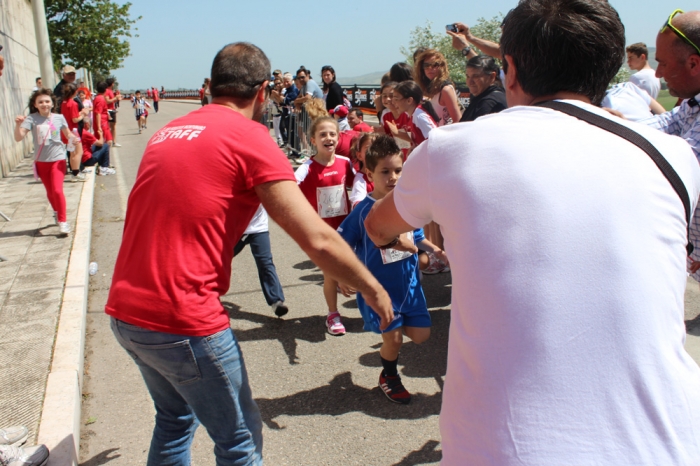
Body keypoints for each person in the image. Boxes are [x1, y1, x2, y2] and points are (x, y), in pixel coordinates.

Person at [365, 0, 700, 463]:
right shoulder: (676, 157)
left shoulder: (453, 150)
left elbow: (377, 225)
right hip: (671, 441)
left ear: (511, 69)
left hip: (508, 448)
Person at [105, 42, 392, 465]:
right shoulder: (249, 136)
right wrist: (372, 287)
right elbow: (315, 236)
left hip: (126, 312)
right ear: (262, 92)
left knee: (174, 419)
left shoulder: (169, 131)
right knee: (239, 441)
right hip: (184, 319)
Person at [338, 135, 446, 405]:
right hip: (380, 293)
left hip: (410, 289)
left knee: (421, 336)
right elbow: (339, 245)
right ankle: (389, 376)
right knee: (394, 339)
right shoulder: (363, 212)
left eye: (398, 170)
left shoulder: (408, 207)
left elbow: (417, 236)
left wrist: (435, 249)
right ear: (369, 173)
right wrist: (341, 276)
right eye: (385, 171)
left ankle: (392, 339)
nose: (394, 177)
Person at [640, 9, 700, 277]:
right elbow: (666, 123)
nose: (658, 74)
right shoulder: (693, 102)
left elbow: (685, 162)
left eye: (663, 63)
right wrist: (607, 124)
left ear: (693, 64)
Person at [295, 116, 356, 336]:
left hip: (346, 229)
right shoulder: (307, 168)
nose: (328, 138)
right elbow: (290, 188)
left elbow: (358, 184)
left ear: (338, 138)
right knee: (331, 272)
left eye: (332, 134)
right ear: (313, 140)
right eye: (322, 134)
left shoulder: (344, 163)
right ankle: (333, 314)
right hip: (321, 233)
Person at [14, 89, 81, 235]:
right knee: (50, 192)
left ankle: (63, 221)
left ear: (52, 103)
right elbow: (19, 137)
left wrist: (73, 139)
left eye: (47, 101)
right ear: (35, 104)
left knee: (57, 190)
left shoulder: (59, 118)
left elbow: (67, 133)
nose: (44, 104)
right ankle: (57, 212)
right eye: (40, 102)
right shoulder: (31, 119)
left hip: (58, 159)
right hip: (41, 162)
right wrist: (18, 125)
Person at [233, 205, 288, 317]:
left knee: (265, 262)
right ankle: (205, 295)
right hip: (234, 228)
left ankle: (276, 301)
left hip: (258, 228)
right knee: (217, 260)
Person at [413, 49, 462, 125]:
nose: (430, 68)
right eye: (426, 65)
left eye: (435, 65)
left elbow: (458, 120)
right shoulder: (424, 89)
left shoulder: (446, 89)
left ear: (442, 67)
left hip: (443, 135)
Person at [459, 55, 507, 122]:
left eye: (475, 76)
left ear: (492, 76)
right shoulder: (497, 96)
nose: (470, 82)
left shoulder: (488, 103)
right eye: (468, 76)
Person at [60, 83, 90, 181]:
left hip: (65, 131)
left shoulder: (64, 102)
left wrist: (80, 113)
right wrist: (83, 114)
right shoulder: (73, 103)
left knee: (72, 153)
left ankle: (74, 172)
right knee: (78, 152)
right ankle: (76, 173)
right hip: (73, 131)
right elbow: (75, 119)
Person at [93, 82, 113, 147]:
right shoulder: (100, 99)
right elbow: (98, 113)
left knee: (107, 141)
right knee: (107, 142)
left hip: (104, 122)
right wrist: (99, 127)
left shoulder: (98, 97)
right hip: (102, 123)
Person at [105, 78, 121, 147]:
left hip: (112, 109)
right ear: (111, 84)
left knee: (113, 127)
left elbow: (112, 101)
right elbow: (107, 101)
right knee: (109, 127)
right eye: (113, 83)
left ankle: (113, 141)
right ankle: (109, 141)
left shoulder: (111, 91)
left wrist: (117, 99)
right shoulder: (107, 91)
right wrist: (115, 98)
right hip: (109, 110)